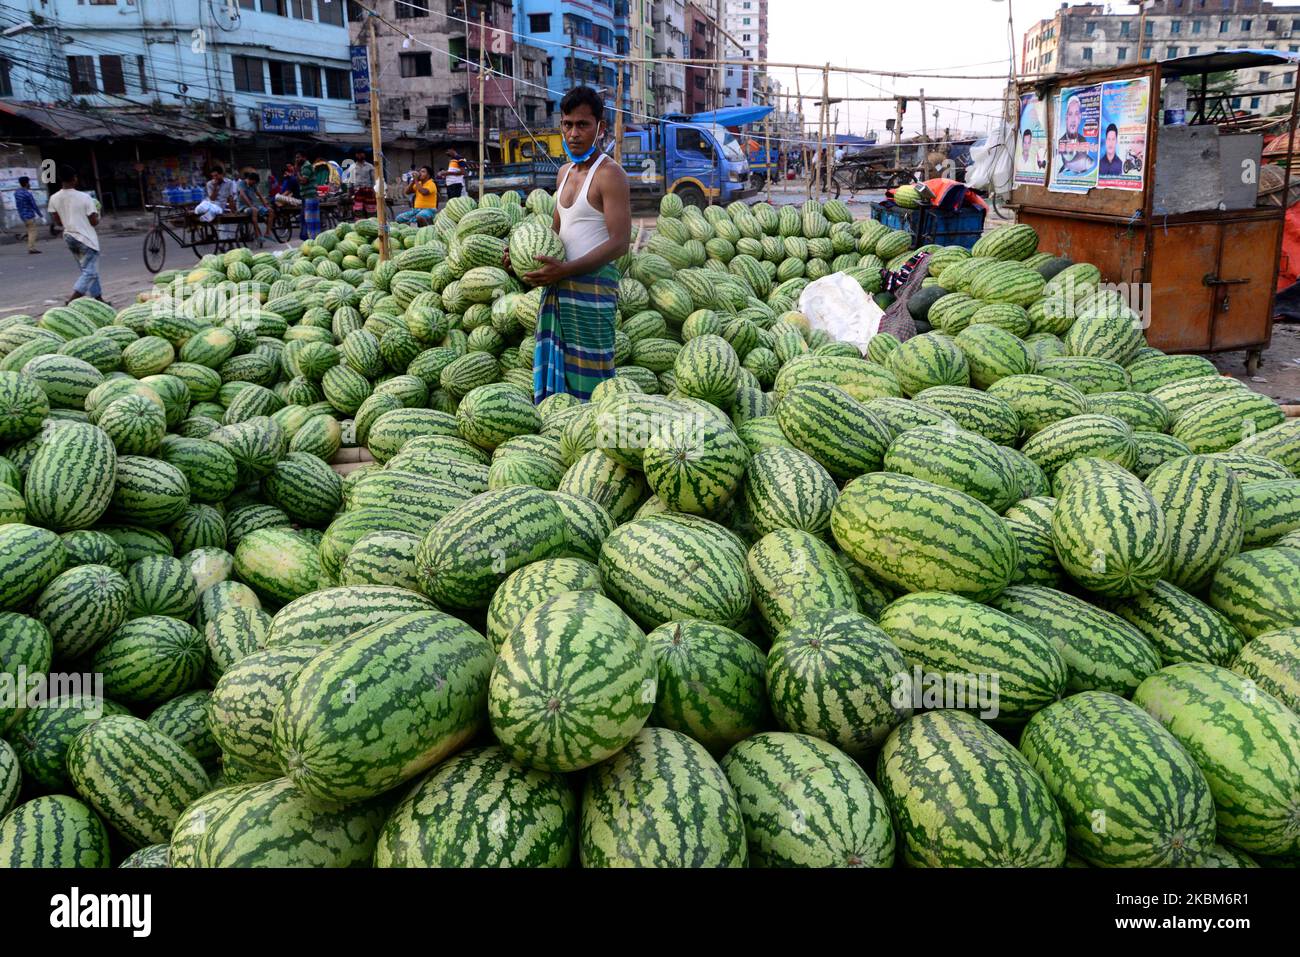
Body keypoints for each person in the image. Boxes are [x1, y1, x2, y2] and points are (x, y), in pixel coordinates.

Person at [517, 85, 630, 402]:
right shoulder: (564, 173)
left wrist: (565, 269)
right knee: (560, 382)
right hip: (560, 290)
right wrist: (524, 259)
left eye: (583, 125)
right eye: (567, 124)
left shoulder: (610, 175)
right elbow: (555, 234)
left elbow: (620, 243)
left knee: (594, 382)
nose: (573, 133)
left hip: (592, 294)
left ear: (600, 128)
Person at [46, 166, 104, 305]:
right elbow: (94, 221)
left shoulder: (54, 198)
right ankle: (71, 301)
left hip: (69, 236)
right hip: (86, 238)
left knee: (89, 270)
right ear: (74, 178)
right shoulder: (84, 197)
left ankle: (98, 299)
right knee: (89, 272)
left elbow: (57, 220)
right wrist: (98, 214)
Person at [236, 171, 274, 240]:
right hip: (243, 207)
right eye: (253, 182)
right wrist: (251, 206)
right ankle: (257, 234)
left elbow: (259, 195)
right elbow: (243, 195)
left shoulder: (253, 185)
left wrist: (266, 205)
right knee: (254, 210)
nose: (254, 184)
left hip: (254, 205)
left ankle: (267, 233)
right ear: (250, 179)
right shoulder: (241, 183)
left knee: (270, 211)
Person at [14, 176, 41, 254]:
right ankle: (31, 248)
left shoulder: (17, 193)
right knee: (33, 232)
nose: (30, 184)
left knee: (30, 229)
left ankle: (24, 236)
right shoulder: (27, 193)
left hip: (22, 215)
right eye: (29, 182)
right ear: (26, 183)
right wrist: (40, 214)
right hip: (29, 215)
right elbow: (34, 205)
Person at [346, 148, 377, 216]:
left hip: (368, 190)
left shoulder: (370, 166)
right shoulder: (352, 167)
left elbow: (374, 180)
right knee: (358, 210)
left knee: (371, 210)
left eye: (361, 153)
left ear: (364, 155)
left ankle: (371, 222)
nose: (359, 155)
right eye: (358, 154)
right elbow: (350, 180)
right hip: (357, 191)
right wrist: (349, 192)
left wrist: (375, 191)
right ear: (355, 155)